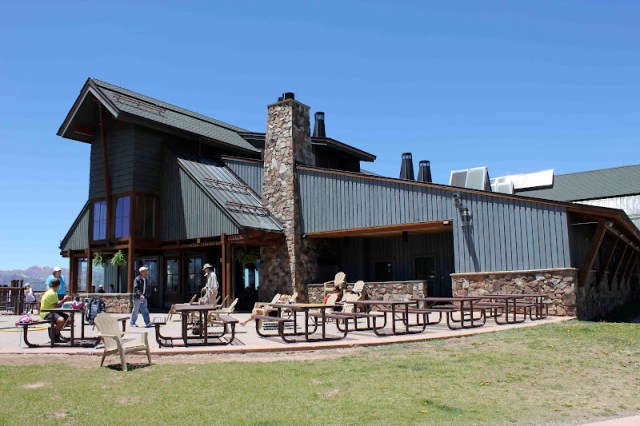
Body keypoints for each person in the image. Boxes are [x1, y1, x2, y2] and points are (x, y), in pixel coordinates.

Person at [39, 278, 72, 342]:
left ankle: (56, 331)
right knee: (61, 320)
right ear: (59, 285)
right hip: (46, 313)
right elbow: (56, 305)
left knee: (70, 319)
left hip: (52, 311)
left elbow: (56, 304)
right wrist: (64, 300)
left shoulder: (53, 292)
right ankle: (55, 333)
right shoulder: (51, 293)